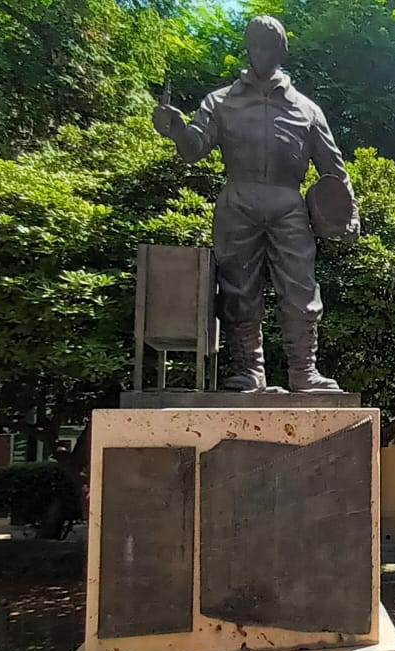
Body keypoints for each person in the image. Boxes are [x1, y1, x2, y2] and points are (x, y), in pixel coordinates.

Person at [151, 15, 356, 393]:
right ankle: (249, 370)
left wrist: (350, 212)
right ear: (248, 48)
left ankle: (303, 371)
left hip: (288, 203)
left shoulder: (307, 110)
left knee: (300, 288)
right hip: (238, 201)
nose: (261, 52)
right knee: (238, 289)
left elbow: (334, 168)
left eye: (269, 45)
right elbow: (195, 148)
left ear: (281, 51)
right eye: (255, 44)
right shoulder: (220, 101)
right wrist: (177, 129)